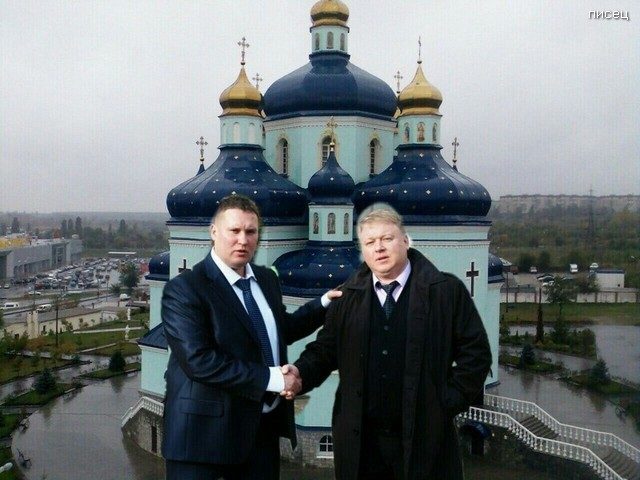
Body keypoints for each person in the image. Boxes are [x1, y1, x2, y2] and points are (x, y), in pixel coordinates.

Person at [284, 204, 492, 480]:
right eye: (370, 242)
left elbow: (476, 355)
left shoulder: (445, 292)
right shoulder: (347, 297)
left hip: (423, 438)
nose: (379, 248)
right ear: (363, 251)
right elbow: (325, 351)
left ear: (405, 241)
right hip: (362, 443)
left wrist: (444, 403)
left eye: (387, 238)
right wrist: (300, 373)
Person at [161, 194, 340, 480]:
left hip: (260, 433)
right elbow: (199, 361)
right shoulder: (185, 289)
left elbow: (280, 329)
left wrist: (325, 303)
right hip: (204, 442)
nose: (242, 240)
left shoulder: (266, 279)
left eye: (251, 231)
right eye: (234, 231)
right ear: (214, 232)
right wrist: (276, 379)